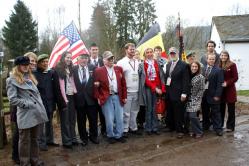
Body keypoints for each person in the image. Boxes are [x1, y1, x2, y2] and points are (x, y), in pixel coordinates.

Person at [6, 56, 48, 166]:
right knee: (24, 140)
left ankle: (35, 160)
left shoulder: (30, 77)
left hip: (36, 112)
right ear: (18, 66)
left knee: (35, 139)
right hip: (25, 113)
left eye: (27, 65)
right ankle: (25, 162)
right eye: (23, 65)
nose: (26, 67)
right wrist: (27, 104)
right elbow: (12, 99)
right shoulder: (11, 80)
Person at [94, 51, 127, 144]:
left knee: (120, 117)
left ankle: (119, 135)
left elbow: (123, 84)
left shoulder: (119, 68)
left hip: (118, 96)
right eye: (109, 59)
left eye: (112, 58)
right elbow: (95, 86)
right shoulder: (98, 71)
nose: (111, 60)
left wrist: (124, 96)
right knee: (109, 118)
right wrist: (98, 98)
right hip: (106, 97)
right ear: (104, 60)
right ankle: (110, 135)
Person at [33, 54, 59, 150]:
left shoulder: (51, 73)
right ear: (39, 63)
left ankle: (50, 140)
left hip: (50, 102)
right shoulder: (35, 74)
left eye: (46, 61)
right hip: (40, 102)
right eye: (43, 62)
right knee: (41, 124)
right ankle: (41, 143)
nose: (45, 63)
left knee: (49, 122)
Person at [73, 54, 99, 146]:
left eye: (86, 58)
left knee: (93, 119)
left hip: (91, 99)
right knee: (81, 120)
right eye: (82, 58)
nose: (84, 60)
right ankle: (83, 138)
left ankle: (93, 136)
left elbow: (98, 79)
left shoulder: (93, 68)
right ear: (77, 60)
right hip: (79, 100)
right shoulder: (73, 69)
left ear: (88, 59)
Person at [54, 51, 78, 149]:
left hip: (72, 95)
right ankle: (67, 141)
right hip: (63, 98)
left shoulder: (71, 68)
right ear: (63, 58)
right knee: (65, 120)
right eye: (67, 57)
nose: (69, 59)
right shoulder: (58, 70)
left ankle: (73, 138)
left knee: (72, 118)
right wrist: (61, 101)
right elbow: (57, 88)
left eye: (70, 58)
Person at [138, 48, 165, 135]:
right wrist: (155, 88)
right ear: (145, 54)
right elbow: (145, 79)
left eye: (150, 52)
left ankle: (155, 127)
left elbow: (160, 76)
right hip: (148, 88)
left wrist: (162, 88)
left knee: (155, 109)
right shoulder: (142, 64)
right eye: (147, 52)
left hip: (157, 88)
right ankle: (148, 128)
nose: (149, 54)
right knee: (149, 108)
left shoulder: (156, 63)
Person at [165, 47, 190, 138]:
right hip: (169, 93)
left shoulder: (184, 65)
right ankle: (171, 127)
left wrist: (184, 93)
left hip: (179, 93)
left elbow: (186, 80)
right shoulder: (168, 64)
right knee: (170, 111)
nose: (172, 55)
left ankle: (180, 130)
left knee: (179, 112)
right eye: (171, 53)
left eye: (174, 53)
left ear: (177, 53)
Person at [117, 43, 141, 137]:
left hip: (137, 90)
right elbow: (119, 78)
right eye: (130, 49)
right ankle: (125, 129)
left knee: (135, 111)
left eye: (133, 49)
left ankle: (133, 128)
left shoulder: (137, 62)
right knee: (126, 112)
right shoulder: (121, 62)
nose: (132, 51)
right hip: (127, 91)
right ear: (126, 50)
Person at [201, 53, 224, 136]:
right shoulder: (202, 69)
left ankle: (218, 129)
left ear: (215, 60)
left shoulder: (219, 70)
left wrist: (217, 95)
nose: (211, 60)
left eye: (213, 59)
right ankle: (205, 126)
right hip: (204, 95)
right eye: (210, 59)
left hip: (214, 96)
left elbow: (220, 84)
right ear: (207, 59)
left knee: (216, 113)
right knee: (205, 112)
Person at [88, 43, 106, 136]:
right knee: (93, 115)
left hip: (102, 91)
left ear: (98, 50)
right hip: (91, 93)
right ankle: (93, 133)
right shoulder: (86, 62)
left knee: (103, 113)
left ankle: (104, 131)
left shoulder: (102, 61)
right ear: (89, 50)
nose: (94, 51)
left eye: (96, 50)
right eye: (93, 50)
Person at [219, 50, 238, 132]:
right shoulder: (218, 65)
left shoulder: (232, 65)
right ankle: (220, 125)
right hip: (221, 91)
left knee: (231, 110)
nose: (223, 57)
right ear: (220, 56)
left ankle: (230, 126)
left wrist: (227, 83)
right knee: (221, 109)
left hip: (230, 90)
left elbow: (235, 77)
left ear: (228, 56)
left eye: (225, 55)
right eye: (222, 55)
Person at [186, 61, 205, 138]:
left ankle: (199, 131)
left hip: (196, 99)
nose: (194, 68)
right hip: (187, 99)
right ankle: (192, 130)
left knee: (192, 116)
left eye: (196, 67)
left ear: (198, 68)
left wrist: (197, 98)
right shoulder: (188, 75)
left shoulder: (201, 77)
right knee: (187, 116)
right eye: (192, 66)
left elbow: (202, 89)